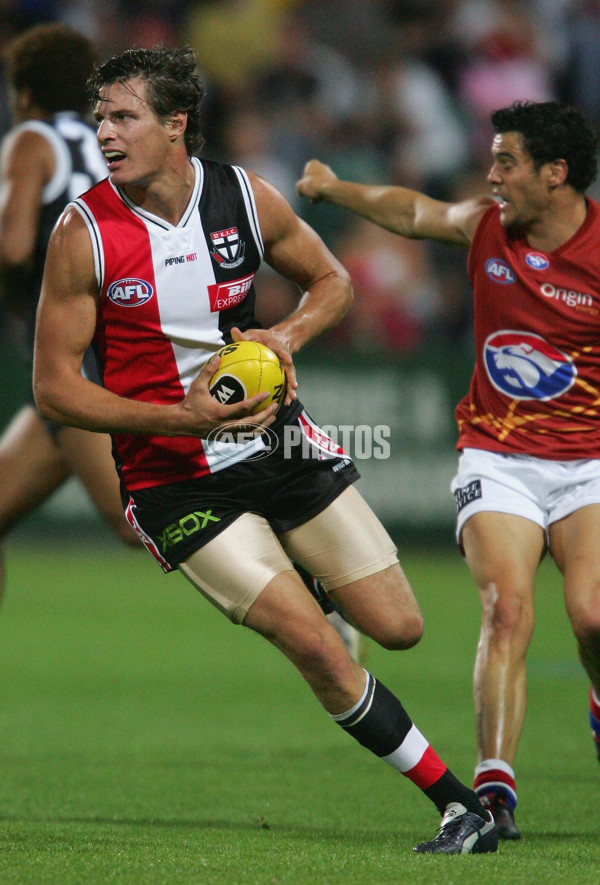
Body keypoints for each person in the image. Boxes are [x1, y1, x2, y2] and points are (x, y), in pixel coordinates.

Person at [33, 45, 497, 855]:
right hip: (174, 479)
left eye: (123, 116)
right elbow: (54, 389)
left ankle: (314, 579)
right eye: (99, 116)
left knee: (399, 626)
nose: (104, 132)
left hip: (281, 443)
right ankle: (459, 805)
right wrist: (182, 421)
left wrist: (282, 337)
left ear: (176, 125)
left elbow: (334, 282)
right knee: (314, 646)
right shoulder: (84, 233)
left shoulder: (245, 197)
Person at [296, 99, 600, 841]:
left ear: (555, 173)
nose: (490, 175)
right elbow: (411, 211)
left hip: (589, 462)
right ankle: (495, 791)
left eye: (507, 162)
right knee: (507, 610)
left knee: (592, 615)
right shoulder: (487, 226)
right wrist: (335, 189)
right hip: (497, 456)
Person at [0, 23, 140, 594]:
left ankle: (309, 577)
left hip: (74, 364)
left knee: (140, 525)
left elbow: (12, 249)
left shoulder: (32, 141)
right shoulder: (115, 145)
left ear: (24, 93)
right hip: (119, 345)